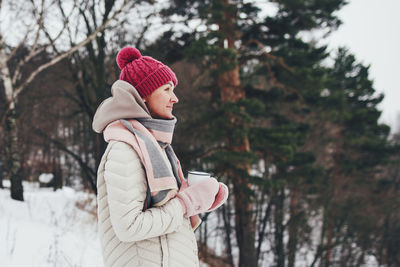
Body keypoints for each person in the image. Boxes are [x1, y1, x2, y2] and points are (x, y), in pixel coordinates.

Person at [92, 47, 229, 267]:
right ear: (143, 95)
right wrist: (187, 203)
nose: (174, 98)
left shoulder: (157, 147)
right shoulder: (125, 150)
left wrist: (198, 199)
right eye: (166, 89)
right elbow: (130, 227)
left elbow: (166, 216)